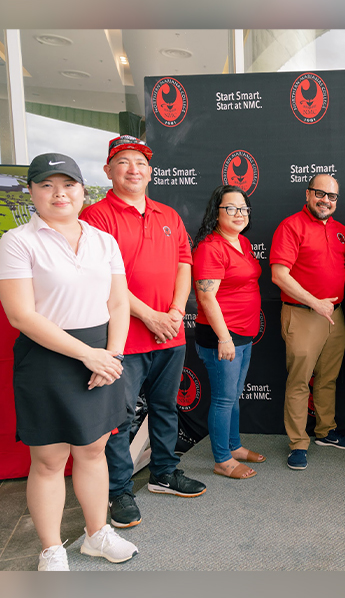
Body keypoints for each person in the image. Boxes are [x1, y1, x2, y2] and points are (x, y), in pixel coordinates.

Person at [0, 154, 138, 570]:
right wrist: (89, 355)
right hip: (48, 358)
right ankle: (51, 548)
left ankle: (96, 535)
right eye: (46, 185)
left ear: (83, 190)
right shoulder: (17, 241)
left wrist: (110, 356)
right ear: (32, 192)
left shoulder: (103, 240)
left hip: (102, 354)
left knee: (93, 451)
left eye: (68, 184)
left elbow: (118, 302)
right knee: (49, 460)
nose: (59, 193)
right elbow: (21, 315)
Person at [81, 135, 206, 530]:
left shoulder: (168, 214)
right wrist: (149, 314)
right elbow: (100, 277)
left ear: (151, 171)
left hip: (170, 332)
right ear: (108, 171)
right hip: (123, 337)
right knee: (119, 418)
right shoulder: (95, 216)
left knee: (166, 408)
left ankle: (164, 473)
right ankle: (118, 490)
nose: (133, 169)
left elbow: (185, 264)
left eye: (140, 162)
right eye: (123, 162)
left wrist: (172, 311)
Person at [270, 174, 345, 470]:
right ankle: (298, 442)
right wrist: (314, 302)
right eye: (320, 193)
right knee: (299, 381)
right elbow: (279, 275)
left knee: (328, 378)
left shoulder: (342, 231)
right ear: (308, 194)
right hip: (302, 313)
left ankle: (325, 431)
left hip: (335, 314)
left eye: (332, 196)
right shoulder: (290, 226)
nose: (326, 200)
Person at [192, 185, 264, 479]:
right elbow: (207, 297)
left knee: (233, 396)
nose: (238, 213)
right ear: (216, 212)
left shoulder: (242, 243)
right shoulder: (211, 247)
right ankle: (222, 458)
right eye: (230, 208)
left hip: (243, 334)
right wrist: (225, 338)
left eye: (243, 208)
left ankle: (233, 446)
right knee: (224, 398)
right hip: (222, 336)